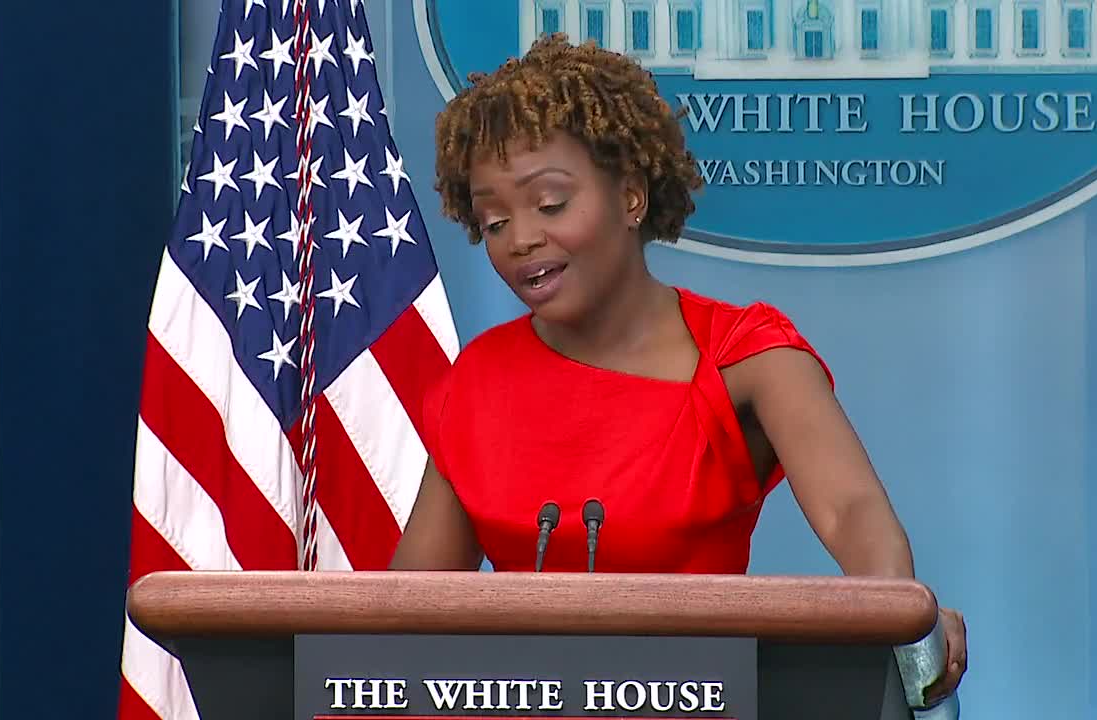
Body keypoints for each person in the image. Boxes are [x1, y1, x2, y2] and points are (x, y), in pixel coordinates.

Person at [389, 33, 966, 704]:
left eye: (550, 204)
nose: (520, 239)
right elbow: (411, 611)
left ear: (631, 197)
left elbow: (850, 511)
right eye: (492, 222)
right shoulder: (478, 380)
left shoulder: (747, 354)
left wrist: (897, 617)